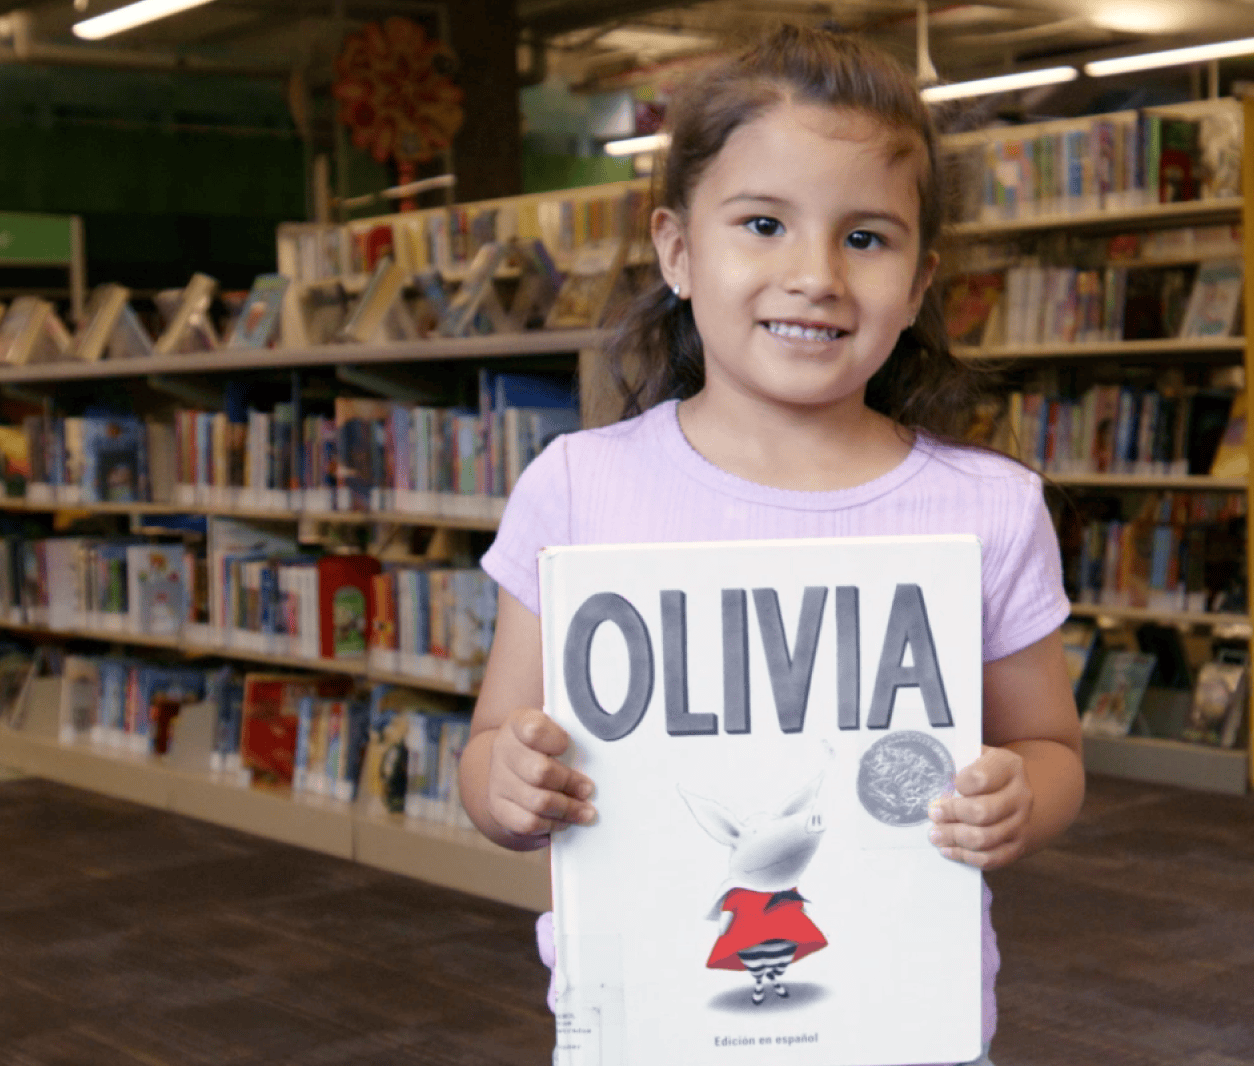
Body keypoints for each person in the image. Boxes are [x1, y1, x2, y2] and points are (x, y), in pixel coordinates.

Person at [459, 23, 1083, 1064]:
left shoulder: (989, 507)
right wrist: (509, 787)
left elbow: (1051, 750)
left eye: (865, 238)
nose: (815, 274)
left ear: (919, 283)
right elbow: (490, 752)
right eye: (762, 223)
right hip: (652, 1030)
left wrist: (1019, 800)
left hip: (903, 1027)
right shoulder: (577, 487)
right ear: (677, 251)